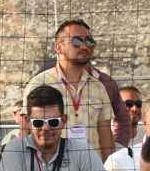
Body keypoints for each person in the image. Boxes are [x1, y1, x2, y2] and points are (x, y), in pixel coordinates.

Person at [0, 85, 115, 171]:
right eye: (38, 122)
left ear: (63, 121)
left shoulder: (81, 150)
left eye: (53, 122)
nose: (46, 128)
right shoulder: (15, 149)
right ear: (27, 121)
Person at [23, 20, 115, 160]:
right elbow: (26, 131)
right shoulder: (39, 83)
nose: (84, 46)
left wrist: (111, 170)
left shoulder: (98, 87)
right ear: (59, 48)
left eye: (89, 41)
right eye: (77, 41)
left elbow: (105, 134)